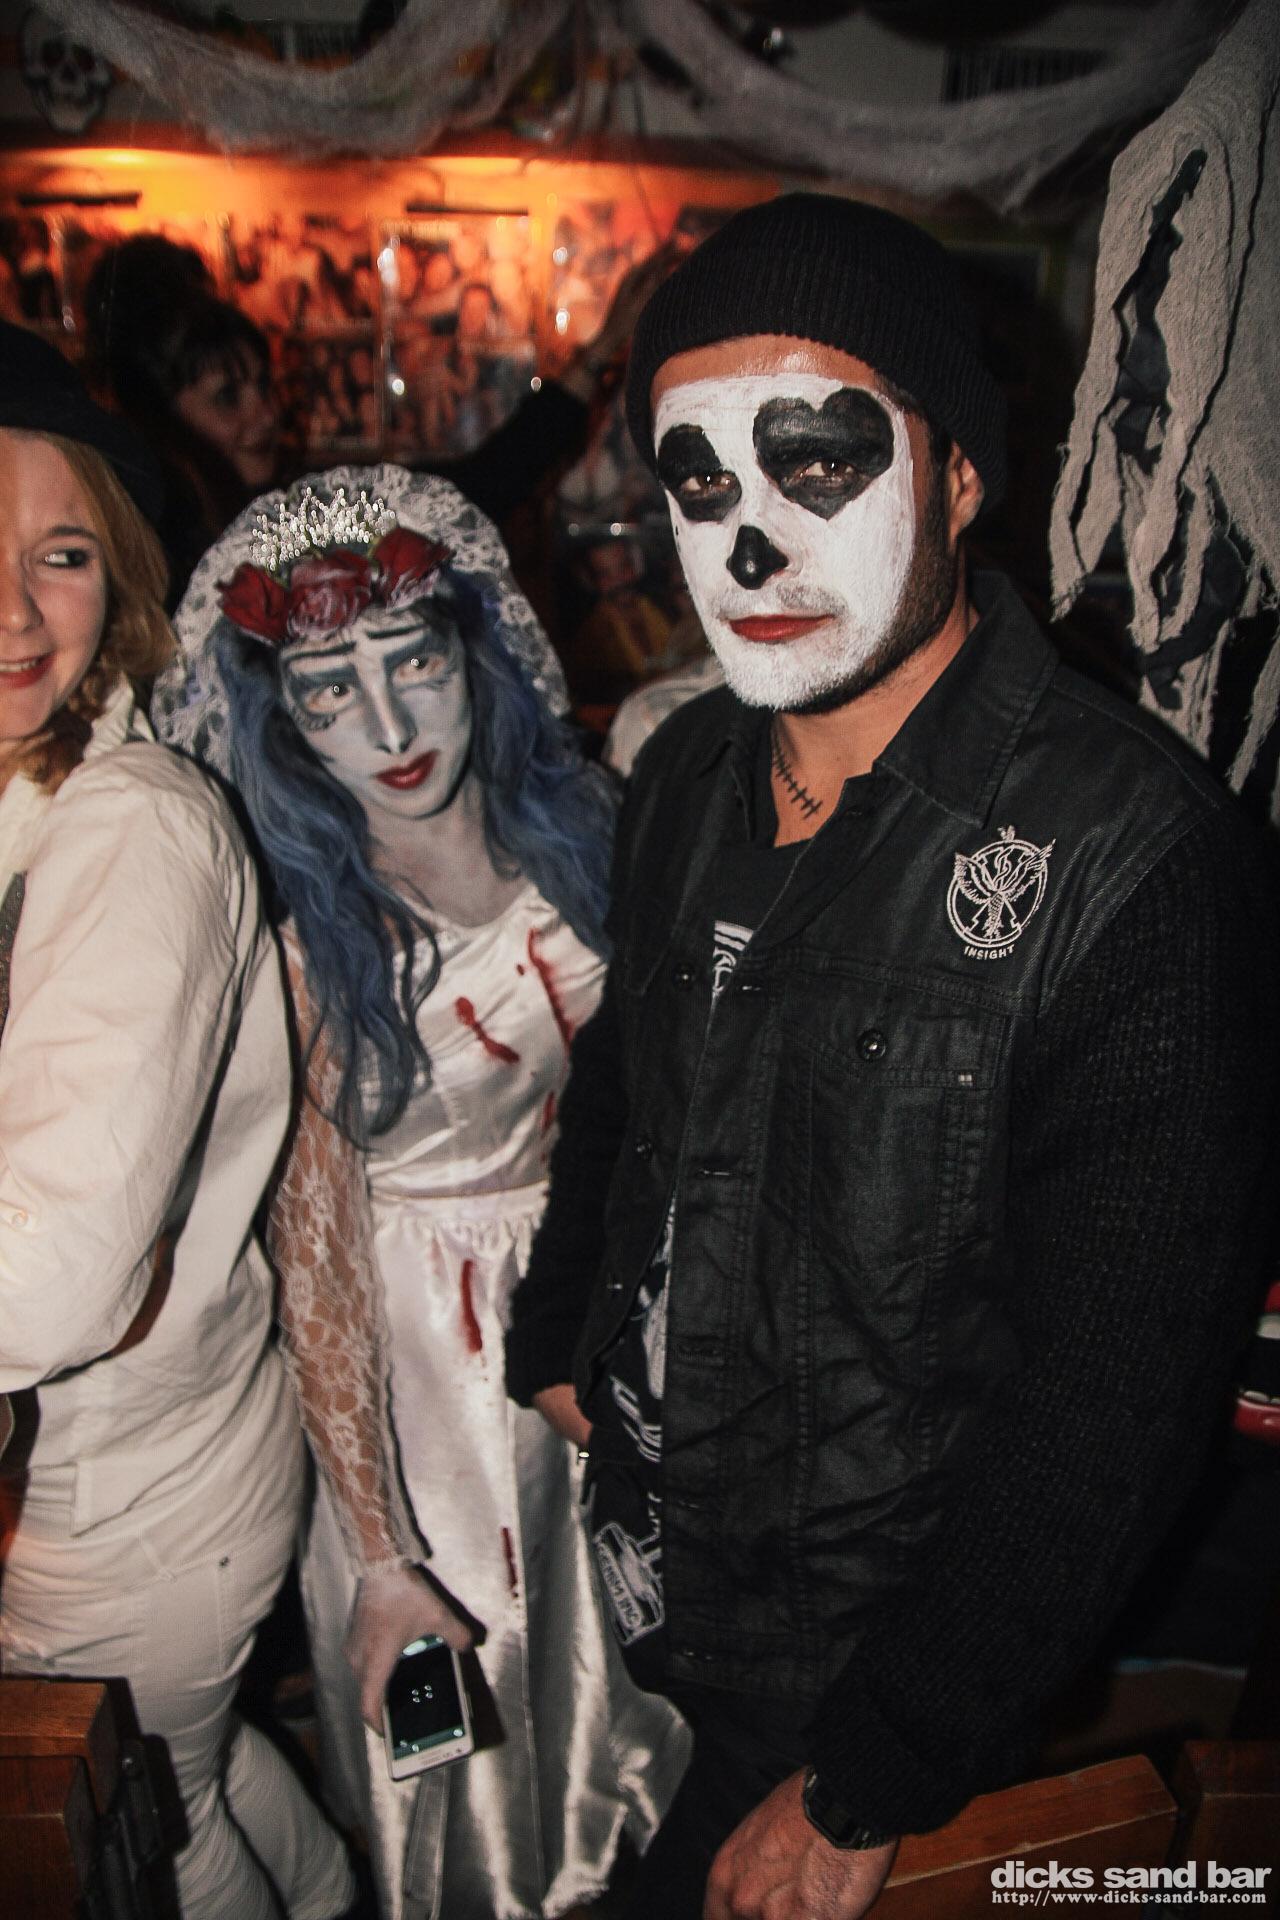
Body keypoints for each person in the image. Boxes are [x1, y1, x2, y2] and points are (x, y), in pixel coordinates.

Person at [504, 192, 1280, 1920]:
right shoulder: (689, 772)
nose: (750, 547)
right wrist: (564, 1333)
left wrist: (874, 1774)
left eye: (818, 462)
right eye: (702, 481)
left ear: (961, 474)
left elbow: (1113, 1406)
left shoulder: (1134, 864)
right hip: (683, 1598)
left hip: (882, 1689)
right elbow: (626, 1080)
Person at [153, 465, 689, 1920]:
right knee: (484, 1718)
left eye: (414, 664)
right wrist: (382, 1548)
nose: (389, 730)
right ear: (284, 721)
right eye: (330, 691)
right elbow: (318, 1261)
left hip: (609, 1308)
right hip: (428, 1387)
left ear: (475, 655)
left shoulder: (587, 828)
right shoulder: (306, 949)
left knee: (630, 1678)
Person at [0, 324, 353, 1919]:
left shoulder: (133, 826)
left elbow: (44, 1281)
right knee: (192, 1782)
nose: (18, 613)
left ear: (123, 574)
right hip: (152, 1463)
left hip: (122, 1504)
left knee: (153, 1832)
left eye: (62, 555)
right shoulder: (30, 786)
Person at [85, 239, 281, 602]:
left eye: (265, 386)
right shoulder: (162, 554)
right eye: (227, 397)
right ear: (161, 414)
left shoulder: (236, 516)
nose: (267, 415)